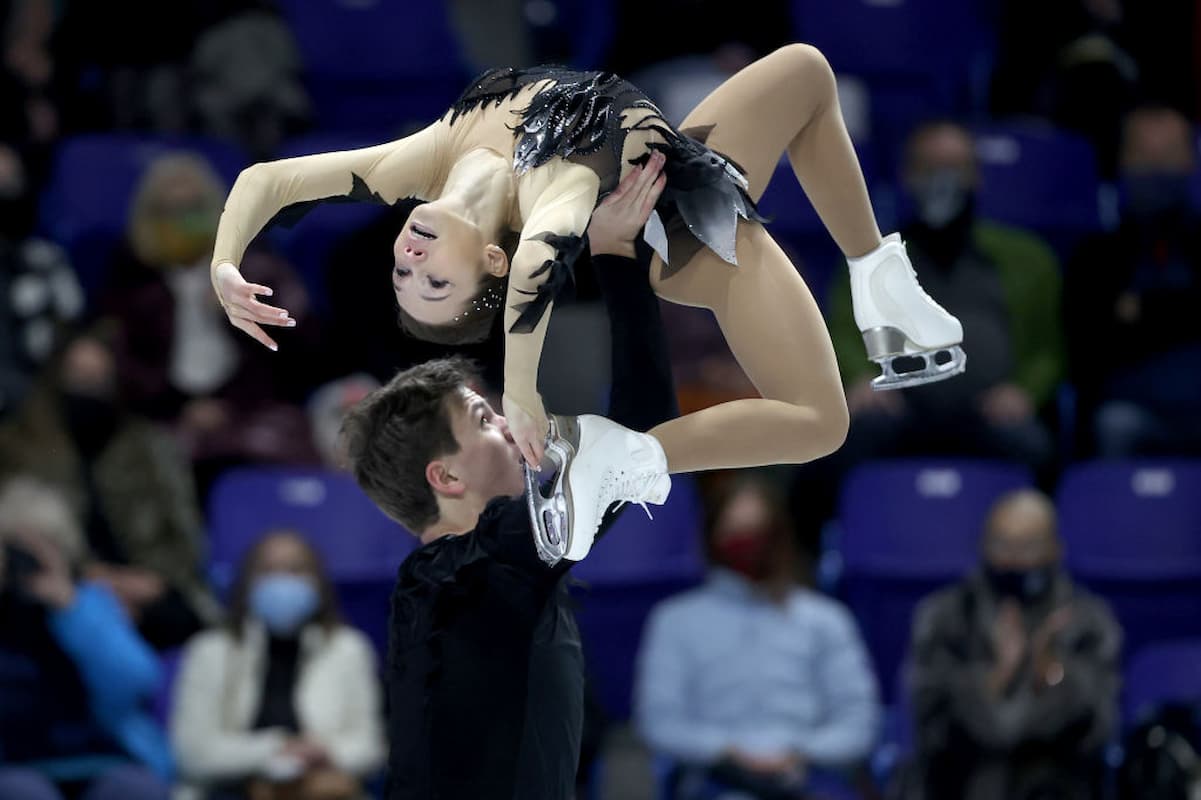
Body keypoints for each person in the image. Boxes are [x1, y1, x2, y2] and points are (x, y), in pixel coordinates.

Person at [209, 45, 967, 539]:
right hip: (690, 232)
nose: (409, 262)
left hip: (683, 158)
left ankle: (883, 288)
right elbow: (540, 265)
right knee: (818, 422)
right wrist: (521, 396)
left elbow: (269, 179)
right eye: (434, 283)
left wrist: (225, 261)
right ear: (490, 265)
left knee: (805, 73)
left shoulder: (418, 161)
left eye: (404, 276)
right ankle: (611, 456)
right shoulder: (545, 206)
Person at [338, 165, 677, 799]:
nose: (509, 420)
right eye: (485, 418)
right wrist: (613, 253)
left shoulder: (468, 573)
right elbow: (644, 427)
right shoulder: (485, 562)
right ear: (445, 475)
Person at [828, 120, 1062, 468]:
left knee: (1034, 449)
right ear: (907, 176)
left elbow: (1048, 349)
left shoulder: (1028, 258)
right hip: (897, 412)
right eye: (930, 168)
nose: (943, 181)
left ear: (977, 177)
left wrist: (1025, 391)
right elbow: (842, 331)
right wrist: (860, 378)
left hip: (992, 415)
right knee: (844, 447)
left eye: (955, 168)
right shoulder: (869, 258)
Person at [635, 473, 880, 800]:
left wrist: (799, 751)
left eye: (757, 532)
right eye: (736, 532)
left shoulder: (826, 620)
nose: (748, 543)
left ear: (779, 536)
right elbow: (660, 722)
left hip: (810, 778)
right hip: (717, 781)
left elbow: (859, 722)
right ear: (712, 537)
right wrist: (729, 751)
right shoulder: (674, 621)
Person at [102, 151, 322, 491]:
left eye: (194, 210)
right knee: (137, 466)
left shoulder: (258, 268)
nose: (183, 222)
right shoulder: (132, 281)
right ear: (148, 219)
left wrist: (239, 313)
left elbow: (304, 354)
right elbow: (128, 368)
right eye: (170, 212)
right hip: (163, 416)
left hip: (252, 409)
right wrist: (182, 408)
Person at [0, 328, 220, 649]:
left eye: (97, 379)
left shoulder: (149, 449)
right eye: (77, 377)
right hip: (52, 585)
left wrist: (152, 584)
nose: (86, 390)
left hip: (145, 590)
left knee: (181, 620)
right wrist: (95, 580)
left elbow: (182, 538)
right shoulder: (18, 446)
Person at [903, 489, 1122, 800]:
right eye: (1002, 544)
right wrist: (996, 678)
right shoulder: (945, 616)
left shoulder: (1087, 620)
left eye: (1029, 546)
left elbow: (1096, 732)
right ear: (982, 545)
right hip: (960, 784)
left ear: (1055, 549)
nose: (1014, 559)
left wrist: (1049, 674)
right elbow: (931, 728)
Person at [171, 530, 385, 800]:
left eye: (296, 569)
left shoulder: (349, 649)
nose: (282, 580)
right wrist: (275, 748)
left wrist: (323, 753)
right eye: (268, 570)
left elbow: (369, 748)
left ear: (318, 582)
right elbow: (193, 753)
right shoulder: (210, 651)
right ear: (247, 581)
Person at [0, 477, 173, 800]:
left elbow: (137, 680)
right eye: (16, 547)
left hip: (105, 757)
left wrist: (69, 607)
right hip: (16, 765)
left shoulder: (90, 603)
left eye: (43, 546)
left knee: (134, 790)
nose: (28, 560)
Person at [1065, 105, 1201, 457]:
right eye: (1145, 159)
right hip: (1130, 406)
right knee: (1113, 424)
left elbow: (1126, 322)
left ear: (1190, 161)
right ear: (1122, 163)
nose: (1156, 171)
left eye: (1167, 158)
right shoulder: (1095, 256)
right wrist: (1182, 310)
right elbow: (1089, 345)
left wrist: (1143, 310)